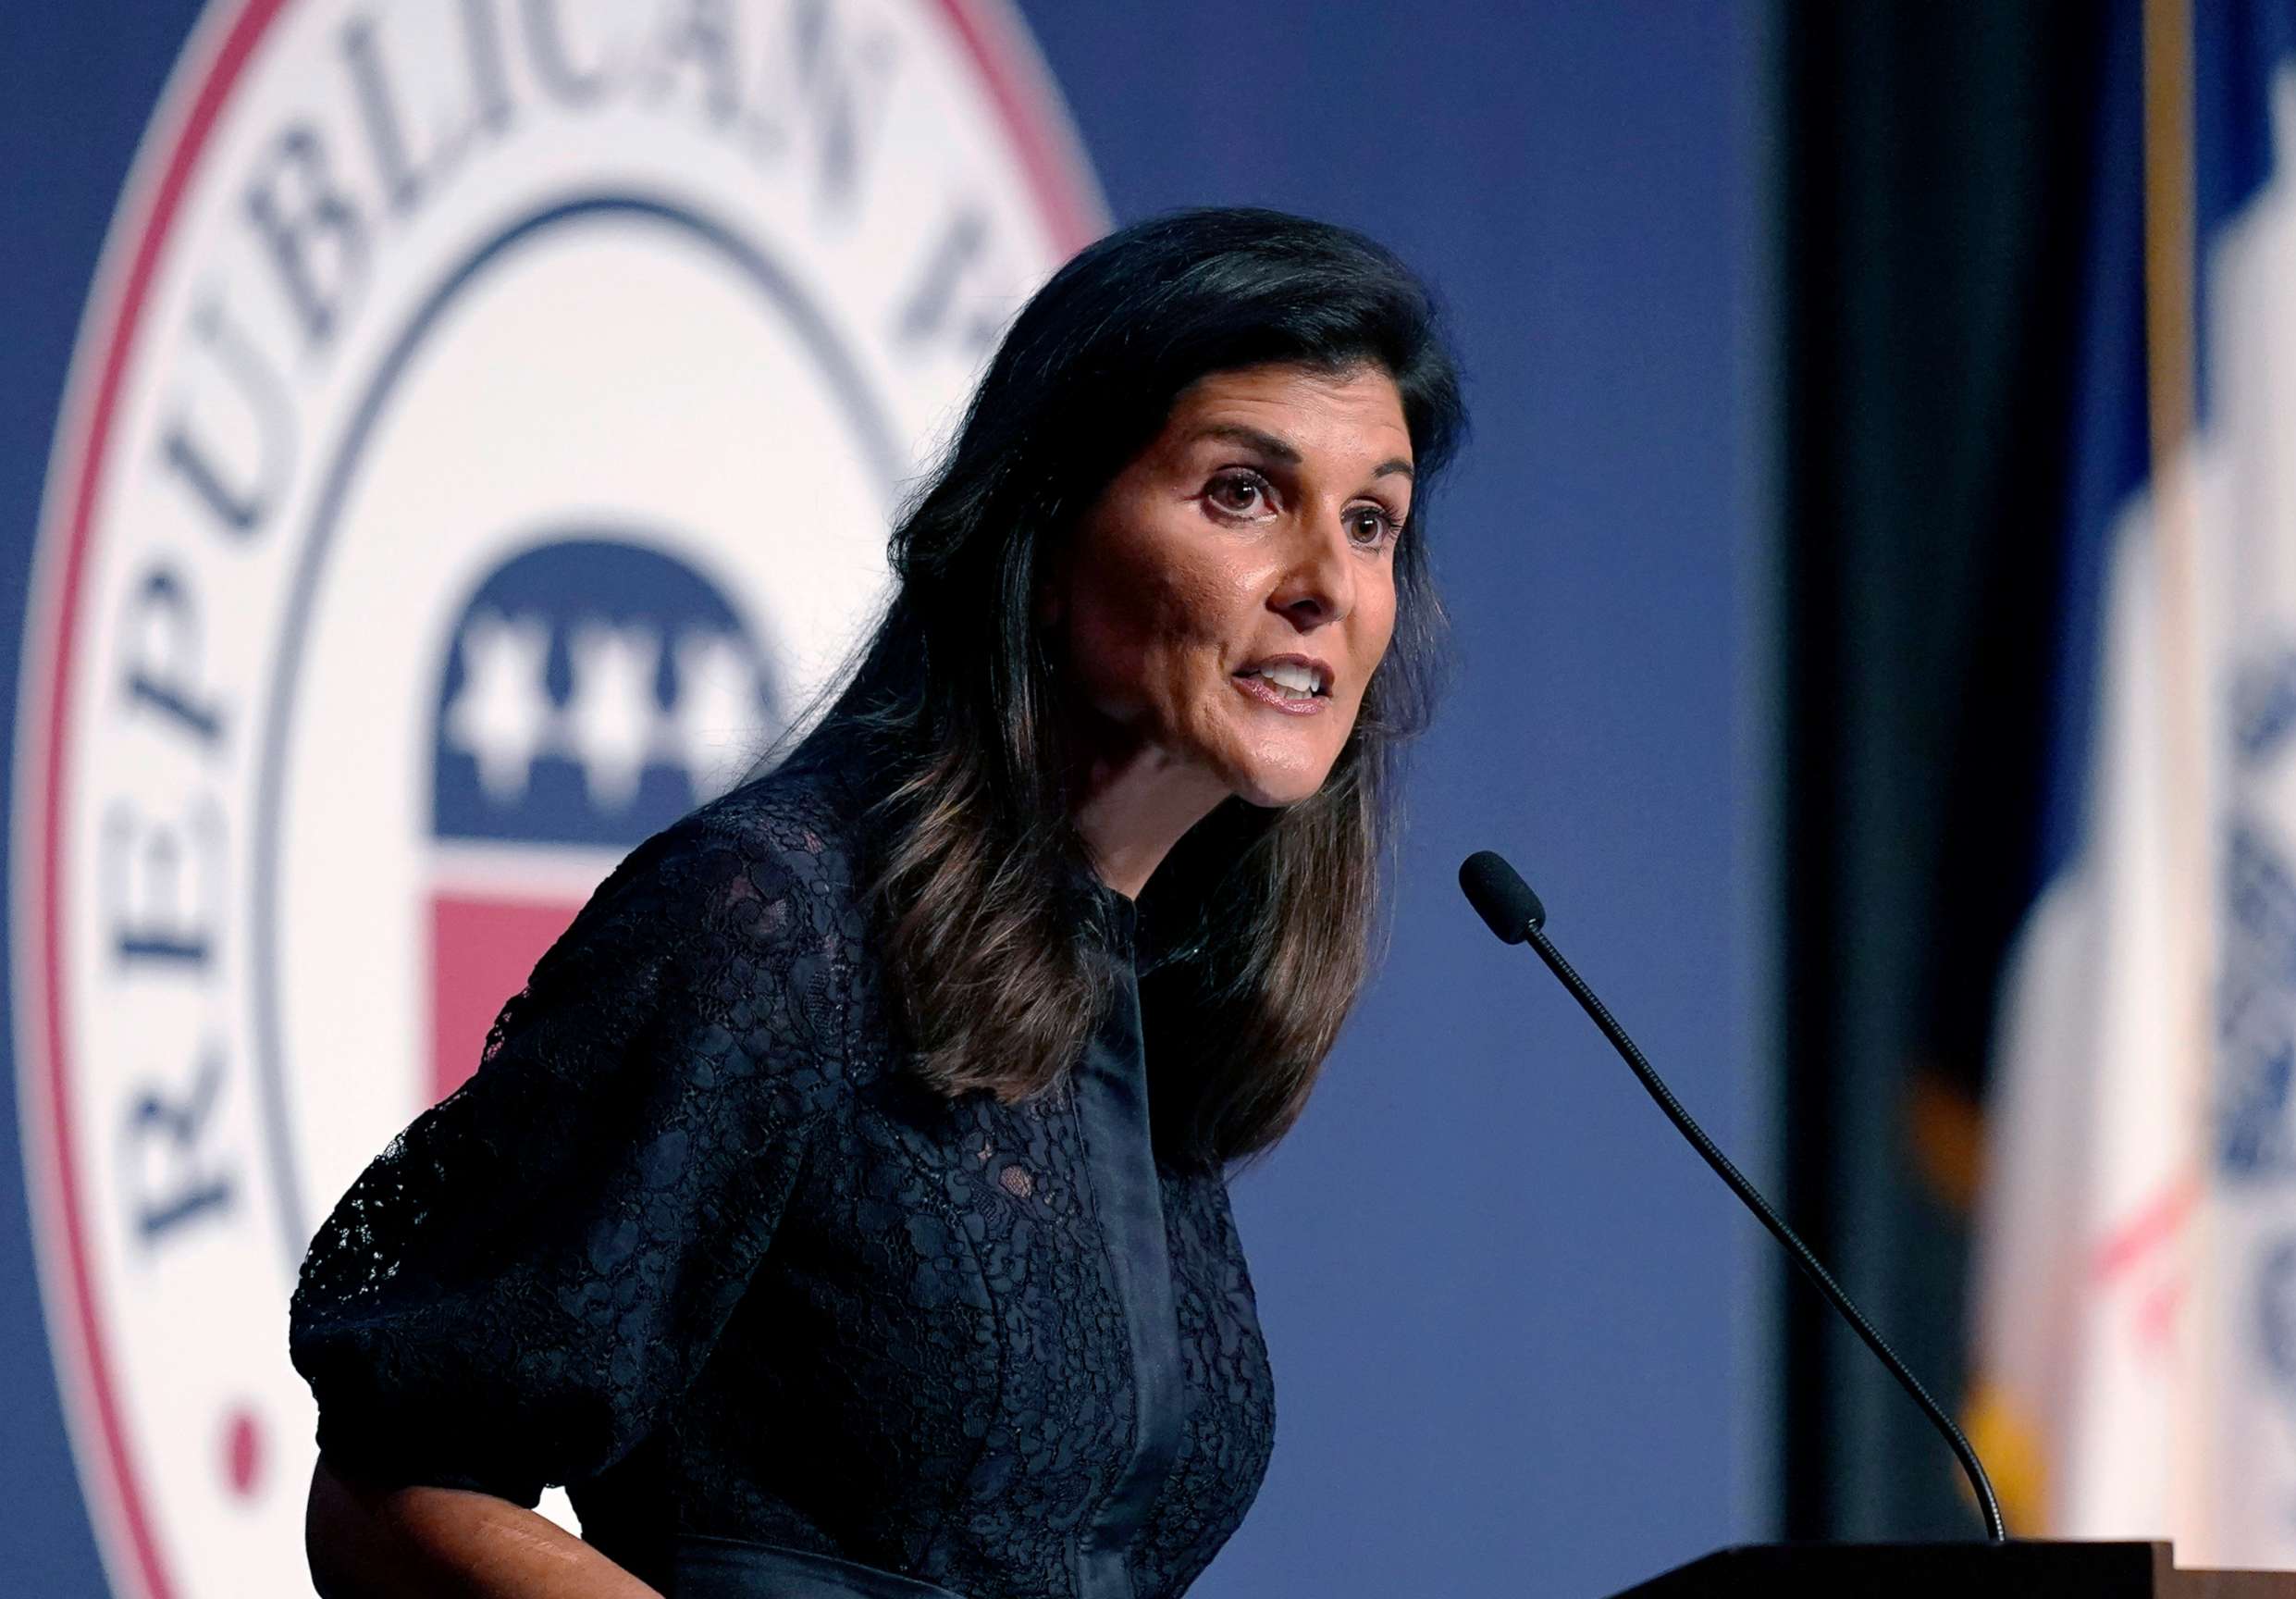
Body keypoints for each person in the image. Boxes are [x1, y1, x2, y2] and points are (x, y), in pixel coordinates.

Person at [290, 205, 1467, 1599]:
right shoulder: (769, 926)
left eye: (1374, 520)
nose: (1328, 586)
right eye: (1243, 494)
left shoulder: (1142, 994)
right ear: (1043, 534)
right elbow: (395, 1488)